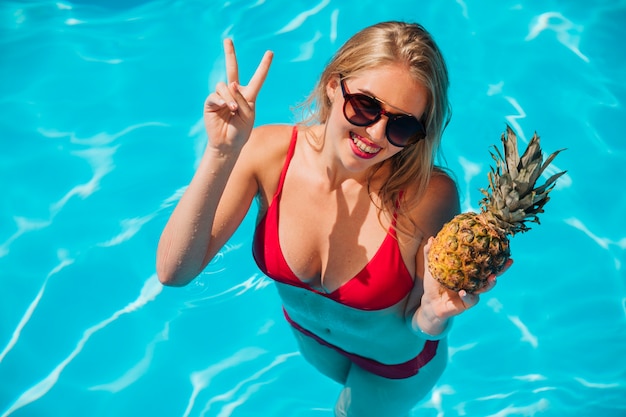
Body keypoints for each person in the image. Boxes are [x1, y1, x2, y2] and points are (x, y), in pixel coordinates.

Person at [157, 21, 511, 417]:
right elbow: (174, 273)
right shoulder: (268, 155)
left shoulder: (426, 194)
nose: (376, 134)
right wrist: (221, 152)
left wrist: (434, 312)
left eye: (403, 125)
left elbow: (420, 323)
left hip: (393, 369)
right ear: (332, 84)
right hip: (311, 344)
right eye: (364, 106)